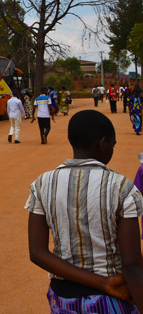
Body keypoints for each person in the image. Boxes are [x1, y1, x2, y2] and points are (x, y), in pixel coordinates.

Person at [25, 109, 143, 312]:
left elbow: (37, 253)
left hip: (63, 298)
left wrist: (101, 283)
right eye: (112, 145)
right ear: (103, 143)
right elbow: (132, 265)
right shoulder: (121, 188)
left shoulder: (42, 184)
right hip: (110, 299)